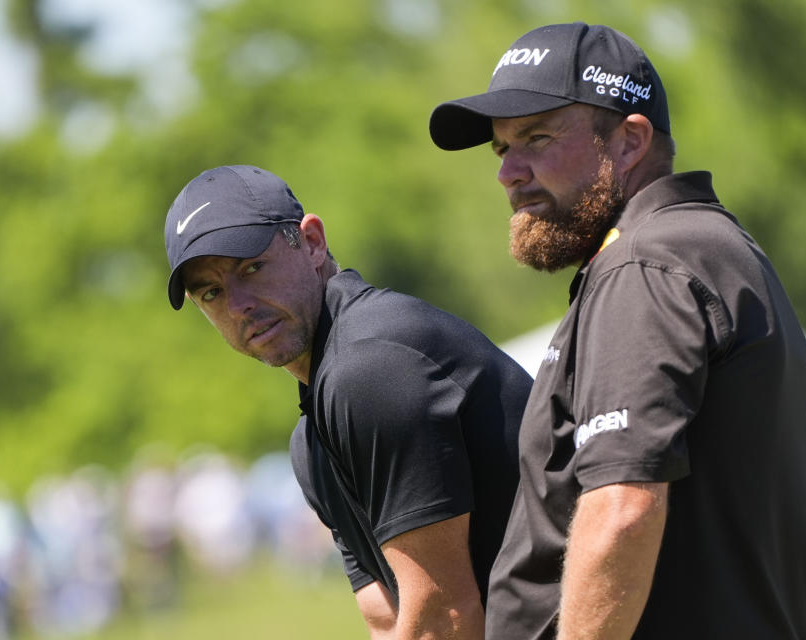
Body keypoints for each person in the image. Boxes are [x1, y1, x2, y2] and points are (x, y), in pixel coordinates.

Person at [429, 22, 806, 639]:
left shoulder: (642, 265)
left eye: (536, 138)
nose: (510, 172)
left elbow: (623, 510)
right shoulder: (706, 245)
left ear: (628, 141)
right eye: (502, 148)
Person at [163, 165, 532, 638]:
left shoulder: (370, 365)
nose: (238, 305)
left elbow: (444, 615)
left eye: (251, 267)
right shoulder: (311, 440)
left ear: (312, 243)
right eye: (212, 292)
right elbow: (387, 618)